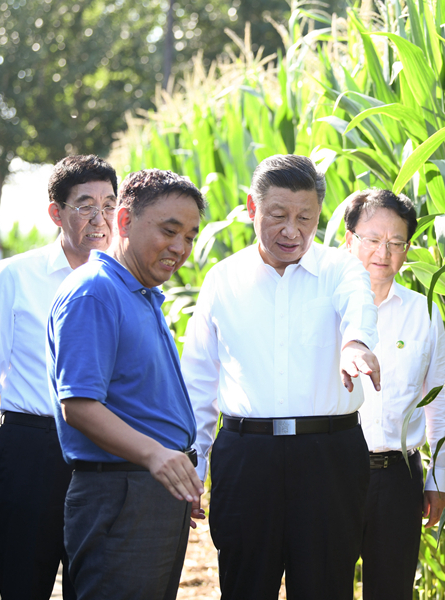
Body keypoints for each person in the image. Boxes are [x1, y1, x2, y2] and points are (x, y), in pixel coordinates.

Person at [181, 154, 381, 600]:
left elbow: (359, 307)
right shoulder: (223, 279)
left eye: (305, 218)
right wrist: (194, 467)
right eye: (278, 215)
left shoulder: (341, 269)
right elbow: (198, 380)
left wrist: (355, 344)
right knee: (245, 584)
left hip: (329, 457)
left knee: (327, 587)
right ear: (252, 208)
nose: (292, 231)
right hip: (246, 458)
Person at [47, 169, 206, 600]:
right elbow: (78, 405)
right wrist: (157, 456)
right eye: (169, 231)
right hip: (120, 493)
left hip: (149, 489)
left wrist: (175, 472)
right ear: (124, 221)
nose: (180, 248)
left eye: (190, 237)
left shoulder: (140, 292)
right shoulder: (95, 292)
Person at [0, 155, 118, 600]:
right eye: (85, 205)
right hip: (30, 451)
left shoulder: (127, 281)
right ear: (56, 213)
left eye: (109, 205)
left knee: (92, 587)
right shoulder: (16, 275)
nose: (100, 218)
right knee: (23, 584)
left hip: (104, 454)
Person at [343, 189, 445, 600]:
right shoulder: (324, 308)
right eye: (373, 239)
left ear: (407, 249)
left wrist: (440, 477)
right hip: (332, 471)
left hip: (398, 476)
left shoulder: (423, 312)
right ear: (349, 240)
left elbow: (440, 401)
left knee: (392, 591)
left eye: (396, 242)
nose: (383, 252)